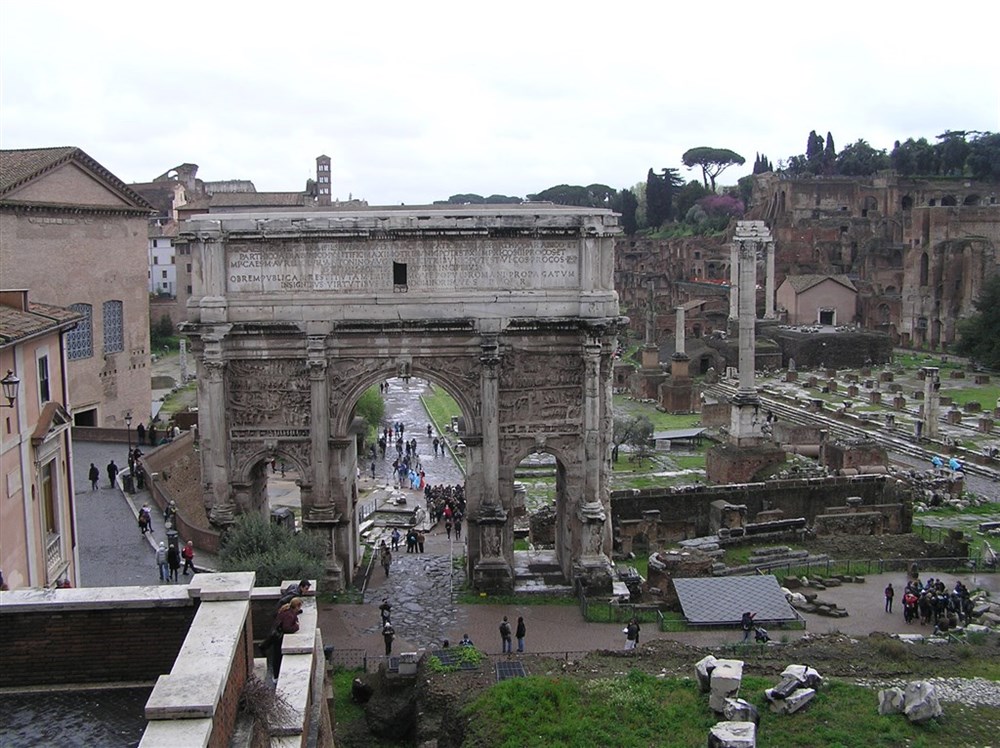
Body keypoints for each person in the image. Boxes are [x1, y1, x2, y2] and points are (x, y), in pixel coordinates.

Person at [262, 597, 303, 679]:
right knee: (278, 657)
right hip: (279, 638)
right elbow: (287, 628)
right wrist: (296, 626)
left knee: (276, 656)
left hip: (276, 636)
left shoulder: (286, 610)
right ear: (297, 606)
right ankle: (276, 676)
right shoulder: (289, 615)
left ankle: (275, 675)